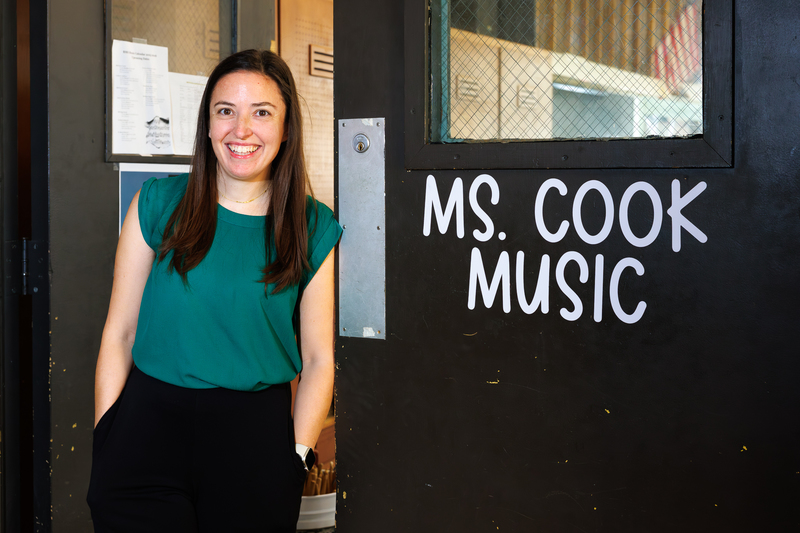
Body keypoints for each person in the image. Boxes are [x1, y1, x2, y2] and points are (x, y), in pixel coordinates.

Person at [87, 49, 342, 532]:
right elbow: (119, 333)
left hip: (254, 442)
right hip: (145, 433)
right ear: (207, 124)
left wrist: (297, 456)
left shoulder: (312, 225)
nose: (240, 130)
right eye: (226, 111)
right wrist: (107, 435)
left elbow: (318, 359)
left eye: (261, 113)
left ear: (286, 129)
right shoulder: (158, 203)